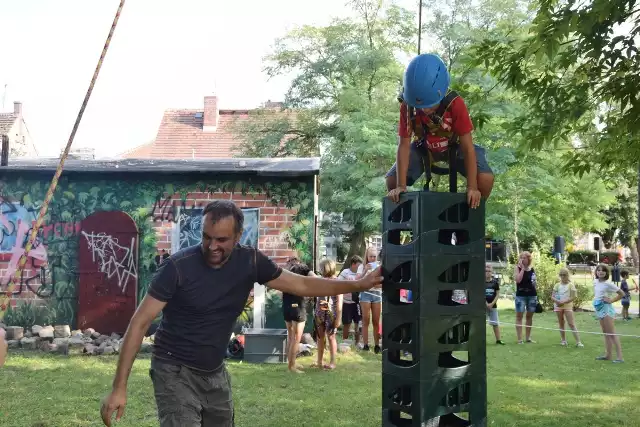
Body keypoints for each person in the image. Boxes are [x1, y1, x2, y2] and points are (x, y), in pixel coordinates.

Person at [100, 200, 383, 427]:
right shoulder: (177, 267)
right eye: (206, 237)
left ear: (238, 235)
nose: (212, 247)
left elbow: (301, 283)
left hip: (213, 371)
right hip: (173, 369)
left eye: (221, 239)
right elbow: (140, 323)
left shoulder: (250, 261)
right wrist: (118, 387)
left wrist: (359, 283)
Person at [385, 53, 494, 208]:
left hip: (454, 145)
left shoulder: (455, 104)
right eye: (421, 106)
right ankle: (410, 219)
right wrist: (401, 186)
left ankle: (470, 216)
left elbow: (468, 147)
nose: (425, 109)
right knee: (392, 180)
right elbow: (403, 145)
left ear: (441, 93)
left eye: (430, 105)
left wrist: (472, 187)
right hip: (424, 146)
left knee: (485, 179)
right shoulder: (408, 105)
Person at [282, 257, 316, 373]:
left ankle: (291, 363)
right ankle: (292, 367)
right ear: (298, 262)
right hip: (297, 306)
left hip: (286, 306)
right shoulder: (303, 268)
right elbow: (315, 279)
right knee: (296, 338)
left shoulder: (285, 271)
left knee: (290, 337)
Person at [311, 258, 343, 370]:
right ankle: (319, 361)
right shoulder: (320, 280)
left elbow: (339, 301)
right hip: (320, 313)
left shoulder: (337, 282)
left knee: (331, 337)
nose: (320, 270)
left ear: (327, 268)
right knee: (320, 337)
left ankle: (332, 362)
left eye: (321, 268)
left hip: (331, 314)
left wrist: (338, 318)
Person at [593, 264, 625, 363]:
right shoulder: (595, 282)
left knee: (611, 333)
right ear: (596, 272)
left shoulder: (608, 284)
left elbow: (622, 293)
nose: (600, 272)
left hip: (606, 309)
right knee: (606, 333)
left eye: (603, 270)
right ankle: (608, 355)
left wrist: (611, 300)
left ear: (606, 272)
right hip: (599, 309)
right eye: (599, 270)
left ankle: (620, 357)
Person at [358, 247, 382, 353]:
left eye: (374, 256)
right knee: (365, 320)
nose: (372, 258)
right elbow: (356, 281)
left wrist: (379, 286)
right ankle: (366, 345)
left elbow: (384, 281)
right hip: (365, 294)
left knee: (376, 321)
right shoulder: (362, 266)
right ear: (366, 257)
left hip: (377, 294)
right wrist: (365, 271)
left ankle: (377, 345)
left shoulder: (380, 266)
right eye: (370, 256)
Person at [551, 268, 583, 347]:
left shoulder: (571, 285)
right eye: (561, 275)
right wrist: (557, 302)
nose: (562, 276)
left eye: (564, 275)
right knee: (561, 323)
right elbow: (552, 296)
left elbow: (573, 297)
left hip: (567, 307)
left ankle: (578, 342)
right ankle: (563, 340)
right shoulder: (557, 285)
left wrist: (564, 302)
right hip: (558, 306)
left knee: (571, 323)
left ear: (567, 275)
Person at [337, 255, 363, 347]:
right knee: (347, 323)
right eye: (358, 266)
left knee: (358, 322)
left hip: (358, 303)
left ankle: (357, 342)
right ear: (353, 264)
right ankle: (344, 342)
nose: (360, 268)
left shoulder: (361, 274)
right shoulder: (345, 272)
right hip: (347, 303)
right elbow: (338, 283)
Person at [514, 251, 538, 344]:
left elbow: (534, 283)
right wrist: (523, 269)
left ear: (529, 259)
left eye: (524, 258)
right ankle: (520, 339)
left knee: (529, 317)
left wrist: (535, 283)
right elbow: (518, 280)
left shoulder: (532, 269)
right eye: (521, 258)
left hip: (532, 295)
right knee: (519, 316)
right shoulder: (517, 268)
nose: (523, 259)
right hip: (521, 296)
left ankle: (528, 338)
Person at [484, 265, 504, 345]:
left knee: (495, 323)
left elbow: (497, 294)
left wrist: (492, 304)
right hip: (483, 307)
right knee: (481, 324)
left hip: (493, 306)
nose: (487, 273)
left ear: (492, 272)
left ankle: (498, 340)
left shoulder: (495, 282)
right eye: (485, 271)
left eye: (489, 271)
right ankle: (481, 340)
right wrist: (486, 304)